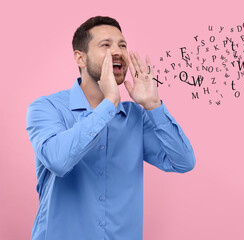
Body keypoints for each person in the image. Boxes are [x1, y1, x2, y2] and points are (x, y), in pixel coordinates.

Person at [26, 16, 195, 240]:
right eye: (106, 45)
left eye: (122, 45)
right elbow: (58, 161)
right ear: (80, 58)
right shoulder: (46, 108)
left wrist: (153, 106)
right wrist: (108, 105)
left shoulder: (137, 116)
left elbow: (183, 162)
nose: (118, 51)